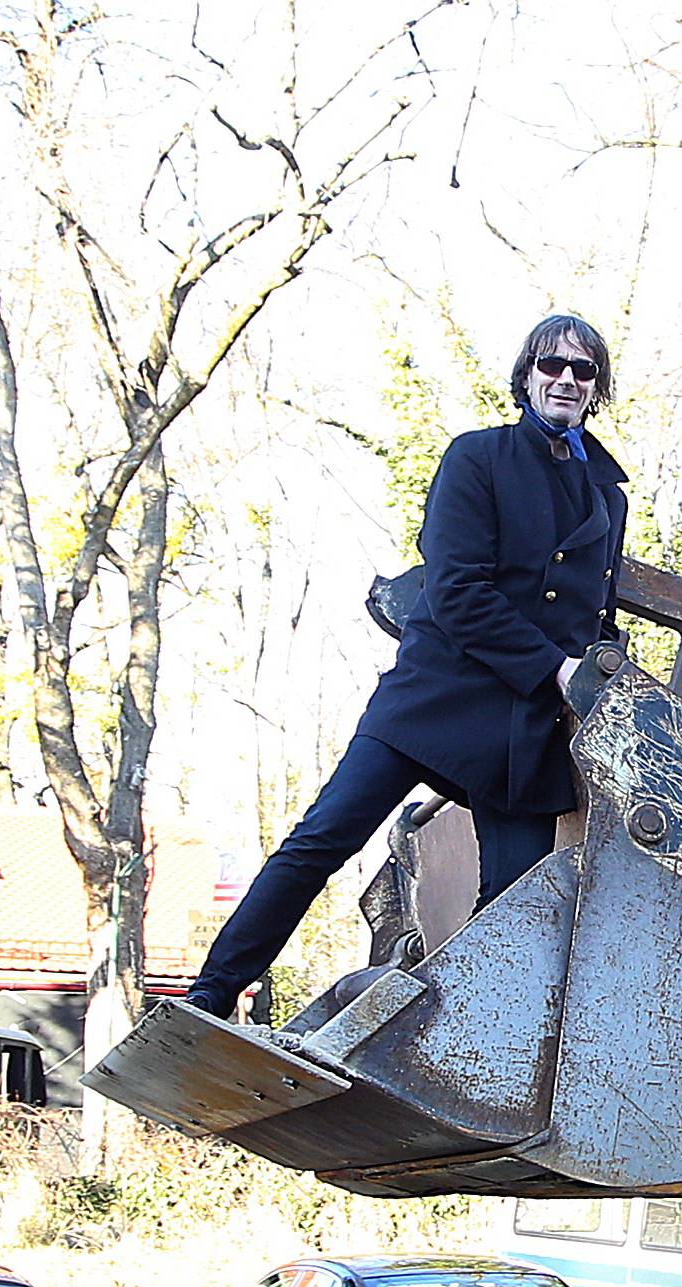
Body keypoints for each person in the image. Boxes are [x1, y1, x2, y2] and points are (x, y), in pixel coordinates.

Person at [187, 316, 628, 1019]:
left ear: (596, 388)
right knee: (320, 841)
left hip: (522, 733)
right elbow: (454, 590)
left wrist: (602, 674)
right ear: (526, 377)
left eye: (583, 371)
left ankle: (458, 1065)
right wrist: (552, 666)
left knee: (512, 915)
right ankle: (209, 996)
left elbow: (592, 615)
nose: (566, 379)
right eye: (552, 365)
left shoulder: (608, 497)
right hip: (437, 697)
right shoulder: (477, 460)